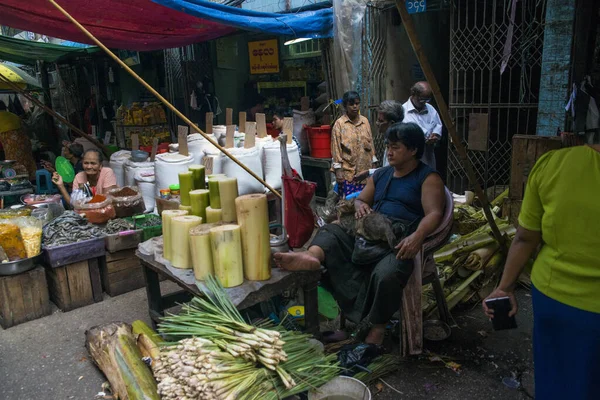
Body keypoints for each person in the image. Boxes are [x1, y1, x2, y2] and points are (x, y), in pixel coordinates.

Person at [276, 122, 445, 345]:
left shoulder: (428, 178)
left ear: (413, 150)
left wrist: (418, 236)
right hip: (369, 234)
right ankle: (311, 257)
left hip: (398, 240)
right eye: (388, 146)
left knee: (387, 273)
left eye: (396, 147)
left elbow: (434, 213)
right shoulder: (382, 175)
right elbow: (362, 198)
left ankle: (376, 330)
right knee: (332, 231)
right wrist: (359, 206)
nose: (389, 152)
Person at [483, 144, 600, 399]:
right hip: (560, 302)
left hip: (556, 299)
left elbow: (525, 238)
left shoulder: (554, 164)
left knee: (559, 382)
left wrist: (504, 288)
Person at [331, 91, 377, 196]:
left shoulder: (365, 121)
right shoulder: (339, 124)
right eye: (351, 104)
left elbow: (371, 143)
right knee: (348, 204)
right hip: (348, 173)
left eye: (357, 103)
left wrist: (374, 164)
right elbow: (336, 149)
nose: (355, 107)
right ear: (345, 106)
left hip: (365, 171)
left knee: (365, 201)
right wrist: (338, 171)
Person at [354, 100, 405, 182]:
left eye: (381, 121)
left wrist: (368, 172)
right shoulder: (389, 139)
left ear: (391, 123)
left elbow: (391, 170)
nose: (377, 123)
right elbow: (387, 168)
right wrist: (368, 172)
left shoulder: (399, 143)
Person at [52, 149, 117, 204]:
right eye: (86, 163)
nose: (89, 167)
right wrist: (61, 186)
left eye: (93, 163)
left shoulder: (107, 172)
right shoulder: (79, 177)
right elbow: (73, 203)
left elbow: (107, 200)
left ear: (100, 165)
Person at [402, 82, 443, 169]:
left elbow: (438, 125)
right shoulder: (403, 112)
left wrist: (435, 135)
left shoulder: (430, 109)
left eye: (427, 100)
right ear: (413, 94)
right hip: (412, 158)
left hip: (428, 156)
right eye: (421, 99)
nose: (424, 103)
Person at [0, 100, 37, 180]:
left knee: (13, 163)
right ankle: (31, 179)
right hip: (24, 142)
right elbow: (25, 129)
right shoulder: (13, 115)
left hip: (10, 145)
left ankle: (19, 181)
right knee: (27, 160)